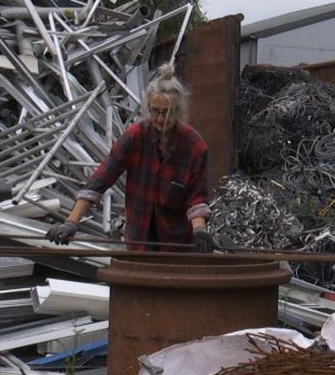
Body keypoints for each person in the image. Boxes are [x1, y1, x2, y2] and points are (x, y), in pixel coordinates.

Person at [46, 63, 215, 252]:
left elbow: (197, 198)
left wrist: (200, 230)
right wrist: (71, 222)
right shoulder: (134, 137)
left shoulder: (194, 146)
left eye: (166, 113)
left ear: (177, 110)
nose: (160, 119)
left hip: (176, 241)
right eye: (154, 111)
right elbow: (99, 180)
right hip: (139, 237)